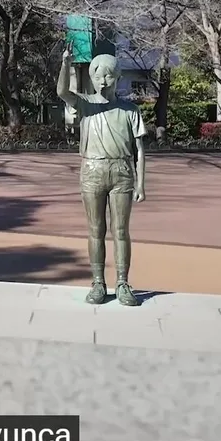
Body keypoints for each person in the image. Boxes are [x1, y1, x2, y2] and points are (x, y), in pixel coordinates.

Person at [57, 50, 147, 306]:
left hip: (122, 172)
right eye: (97, 76)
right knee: (96, 230)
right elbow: (62, 92)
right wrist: (65, 64)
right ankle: (98, 282)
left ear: (118, 77)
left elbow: (139, 150)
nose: (103, 81)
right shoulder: (86, 104)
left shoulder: (130, 110)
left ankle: (123, 282)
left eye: (108, 76)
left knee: (121, 231)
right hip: (92, 170)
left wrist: (141, 183)